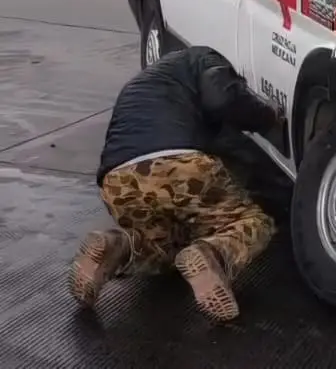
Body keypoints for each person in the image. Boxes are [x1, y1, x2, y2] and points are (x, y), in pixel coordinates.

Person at [68, 46, 286, 322]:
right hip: (176, 162)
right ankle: (214, 254)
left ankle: (117, 247)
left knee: (165, 246)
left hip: (117, 180)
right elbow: (223, 98)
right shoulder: (205, 57)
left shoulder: (148, 83)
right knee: (254, 222)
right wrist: (269, 117)